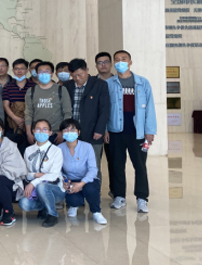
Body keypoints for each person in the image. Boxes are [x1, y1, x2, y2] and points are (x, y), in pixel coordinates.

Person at [106, 50, 156, 213]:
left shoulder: (142, 82)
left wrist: (150, 131)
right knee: (117, 165)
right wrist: (105, 129)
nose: (120, 62)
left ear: (130, 62)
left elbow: (150, 108)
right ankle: (119, 196)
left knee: (140, 166)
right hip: (116, 131)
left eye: (123, 59)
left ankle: (142, 198)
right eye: (117, 59)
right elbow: (104, 109)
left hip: (138, 132)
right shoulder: (109, 83)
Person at [63, 59, 110, 178]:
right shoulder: (67, 86)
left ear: (87, 70)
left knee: (93, 166)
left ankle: (94, 188)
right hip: (71, 133)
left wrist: (100, 130)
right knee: (71, 164)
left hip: (93, 132)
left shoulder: (100, 85)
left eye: (80, 75)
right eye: (74, 76)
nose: (77, 78)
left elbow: (104, 109)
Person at [58, 119, 107, 225]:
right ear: (62, 133)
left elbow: (93, 169)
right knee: (73, 200)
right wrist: (64, 180)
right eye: (66, 130)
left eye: (73, 129)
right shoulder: (59, 149)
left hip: (87, 179)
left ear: (79, 132)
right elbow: (58, 170)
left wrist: (81, 184)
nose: (69, 132)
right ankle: (74, 206)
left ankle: (96, 212)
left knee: (91, 189)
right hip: (70, 180)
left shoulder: (87, 147)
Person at [19, 119, 65, 228]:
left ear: (50, 132)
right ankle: (44, 206)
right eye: (38, 129)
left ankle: (52, 214)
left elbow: (54, 175)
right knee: (23, 203)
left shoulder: (56, 151)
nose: (41, 132)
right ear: (33, 131)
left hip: (54, 189)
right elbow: (24, 173)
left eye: (45, 129)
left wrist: (33, 182)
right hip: (35, 191)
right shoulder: (28, 150)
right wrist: (35, 175)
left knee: (42, 186)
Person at [24, 61, 72, 145]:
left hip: (57, 134)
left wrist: (63, 132)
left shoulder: (61, 89)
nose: (43, 74)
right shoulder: (31, 91)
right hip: (38, 134)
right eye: (40, 72)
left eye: (47, 71)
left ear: (52, 74)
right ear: (37, 74)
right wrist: (29, 133)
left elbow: (67, 113)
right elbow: (28, 113)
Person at [2, 58, 37, 155]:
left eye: (22, 68)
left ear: (27, 70)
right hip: (12, 125)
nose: (19, 71)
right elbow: (6, 105)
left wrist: (26, 121)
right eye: (17, 69)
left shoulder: (34, 87)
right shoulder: (7, 87)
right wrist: (16, 119)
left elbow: (36, 106)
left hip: (31, 125)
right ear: (13, 70)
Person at [95, 51, 115, 196]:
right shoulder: (92, 83)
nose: (103, 65)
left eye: (106, 62)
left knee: (114, 161)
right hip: (95, 128)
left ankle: (115, 190)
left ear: (111, 64)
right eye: (100, 63)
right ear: (96, 65)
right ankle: (94, 191)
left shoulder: (118, 81)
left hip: (114, 128)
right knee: (94, 162)